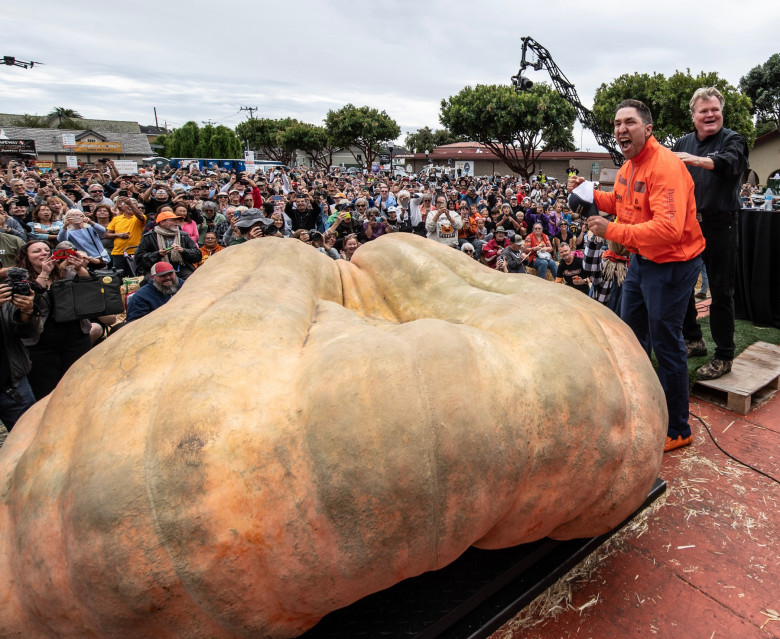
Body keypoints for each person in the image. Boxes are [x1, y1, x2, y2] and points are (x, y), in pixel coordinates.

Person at [570, 99, 705, 453]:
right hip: (642, 262)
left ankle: (678, 427)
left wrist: (611, 231)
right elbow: (618, 201)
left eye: (628, 122)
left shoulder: (666, 167)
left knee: (666, 344)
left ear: (647, 129)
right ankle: (640, 406)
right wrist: (588, 194)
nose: (620, 129)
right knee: (631, 338)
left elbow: (669, 230)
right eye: (616, 123)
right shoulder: (629, 166)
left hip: (672, 265)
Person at [673, 87, 749, 380]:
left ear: (721, 112)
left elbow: (729, 164)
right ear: (693, 116)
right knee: (681, 284)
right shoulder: (683, 142)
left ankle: (724, 356)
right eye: (703, 111)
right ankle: (693, 340)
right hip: (691, 224)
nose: (710, 115)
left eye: (714, 109)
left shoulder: (733, 140)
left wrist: (692, 159)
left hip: (722, 224)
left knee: (720, 291)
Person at [0, 276, 40, 430]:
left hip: (12, 386)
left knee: (31, 440)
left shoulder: (5, 294)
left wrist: (27, 311)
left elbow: (28, 334)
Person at [134, 209, 202, 279]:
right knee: (148, 281)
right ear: (162, 222)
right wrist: (158, 254)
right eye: (173, 220)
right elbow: (139, 259)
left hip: (181, 268)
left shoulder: (184, 236)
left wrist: (183, 251)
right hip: (157, 269)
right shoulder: (149, 237)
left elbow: (197, 255)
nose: (177, 222)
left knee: (192, 280)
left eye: (177, 220)